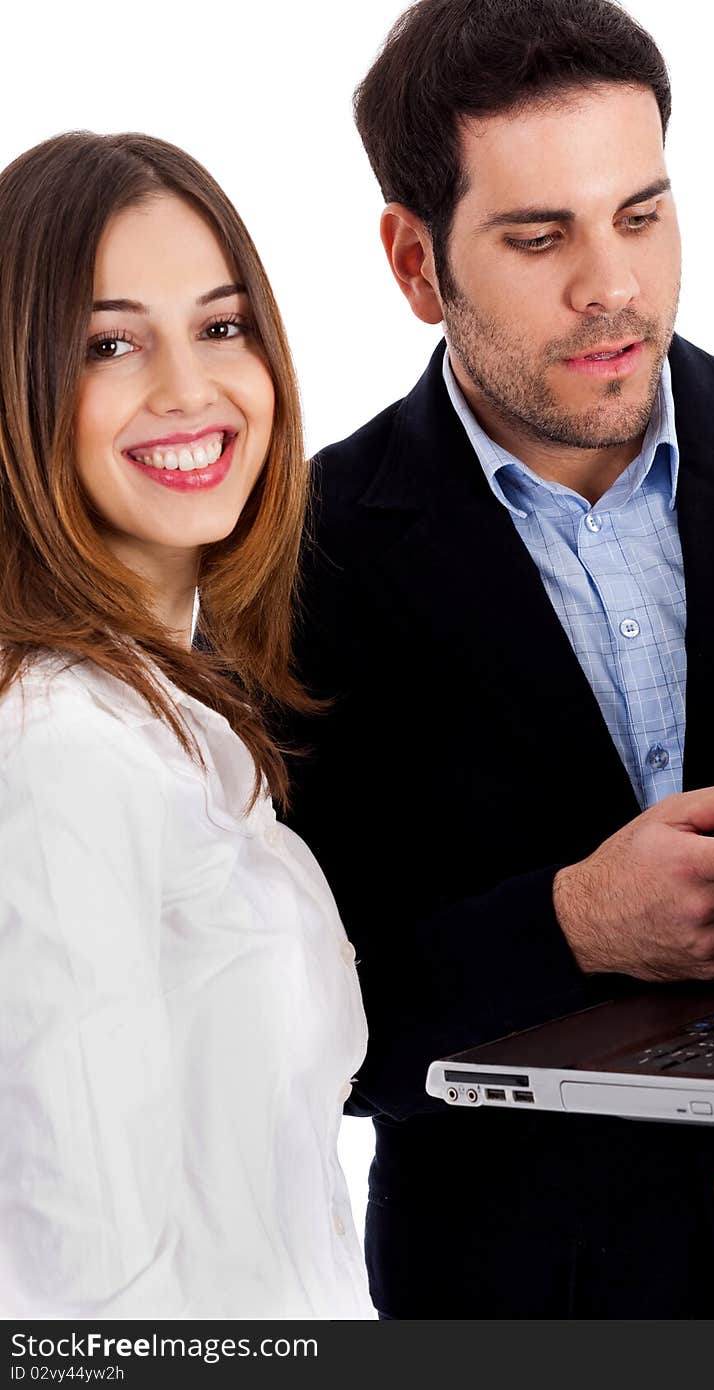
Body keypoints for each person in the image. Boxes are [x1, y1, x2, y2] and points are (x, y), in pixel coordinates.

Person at [284, 0, 714, 1319]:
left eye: (641, 214)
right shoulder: (290, 561)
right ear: (415, 264)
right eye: (541, 235)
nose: (612, 282)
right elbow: (287, 1033)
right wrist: (569, 924)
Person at [0, 131, 373, 1319]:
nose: (189, 389)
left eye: (221, 327)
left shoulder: (176, 719)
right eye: (111, 344)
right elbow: (87, 1295)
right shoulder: (60, 749)